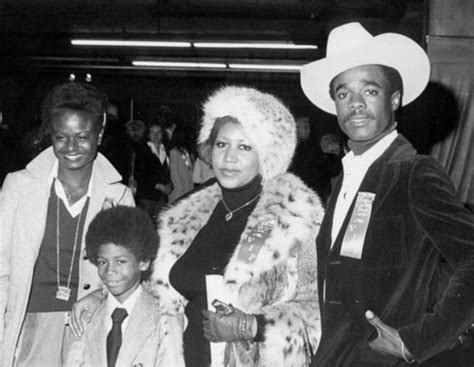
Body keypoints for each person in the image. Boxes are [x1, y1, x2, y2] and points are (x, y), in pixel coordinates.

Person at [72, 85, 324, 366]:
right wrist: (100, 296)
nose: (229, 157)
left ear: (266, 154)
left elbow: (320, 314)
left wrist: (250, 326)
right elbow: (151, 286)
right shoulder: (184, 217)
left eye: (244, 147)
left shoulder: (294, 220)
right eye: (221, 144)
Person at [300, 22, 474, 366]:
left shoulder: (412, 172)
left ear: (394, 99)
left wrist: (416, 341)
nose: (356, 104)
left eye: (370, 91)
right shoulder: (343, 180)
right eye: (343, 94)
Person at [0, 82, 135, 367]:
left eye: (82, 137)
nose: (71, 147)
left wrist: (99, 294)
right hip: (32, 323)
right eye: (61, 137)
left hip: (89, 325)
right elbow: (1, 266)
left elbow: (128, 274)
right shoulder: (19, 186)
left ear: (99, 134)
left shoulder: (119, 196)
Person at [63, 206, 184, 367]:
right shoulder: (85, 317)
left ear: (143, 262)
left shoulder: (166, 318)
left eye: (120, 261)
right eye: (102, 262)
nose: (109, 271)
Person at [133, 120, 172, 220]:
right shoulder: (143, 150)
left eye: (158, 132)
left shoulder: (165, 150)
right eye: (152, 132)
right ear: (148, 134)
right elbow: (139, 175)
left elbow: (166, 173)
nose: (156, 135)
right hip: (147, 197)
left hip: (161, 197)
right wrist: (158, 186)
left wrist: (169, 185)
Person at [168, 124, 195, 203]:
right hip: (178, 195)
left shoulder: (186, 152)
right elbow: (174, 176)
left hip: (188, 193)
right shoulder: (174, 153)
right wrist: (182, 195)